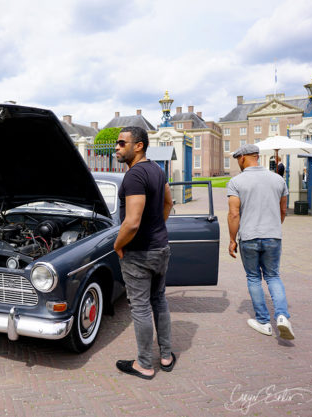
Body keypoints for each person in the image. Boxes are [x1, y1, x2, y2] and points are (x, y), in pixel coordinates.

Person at [113, 126, 175, 380]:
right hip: (161, 248)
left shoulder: (134, 176)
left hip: (139, 253)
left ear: (138, 146)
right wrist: (157, 227)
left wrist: (118, 245)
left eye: (121, 143)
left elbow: (132, 222)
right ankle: (167, 356)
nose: (116, 147)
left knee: (139, 308)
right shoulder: (157, 171)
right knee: (159, 300)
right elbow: (169, 202)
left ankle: (145, 365)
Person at [227, 144, 294, 339]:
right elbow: (283, 210)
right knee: (273, 276)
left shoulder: (236, 182)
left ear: (243, 158)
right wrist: (273, 227)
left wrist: (232, 240)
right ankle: (282, 316)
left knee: (254, 278)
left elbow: (233, 214)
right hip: (273, 235)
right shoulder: (278, 179)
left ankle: (264, 322)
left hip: (249, 237)